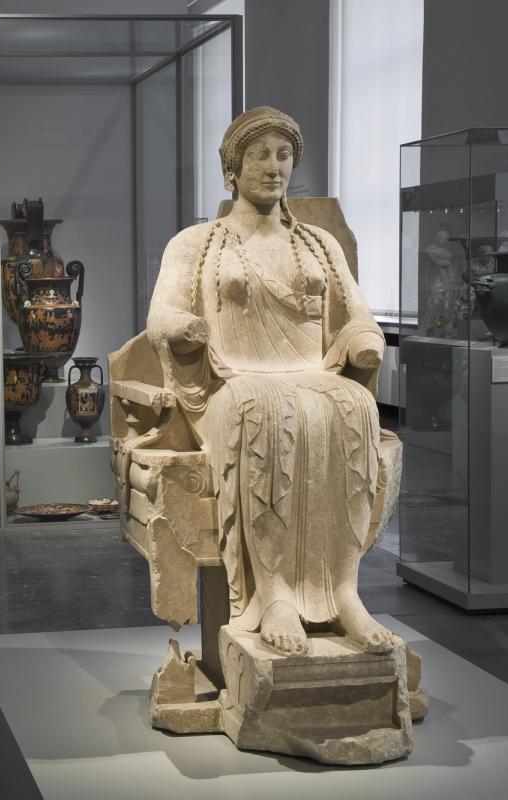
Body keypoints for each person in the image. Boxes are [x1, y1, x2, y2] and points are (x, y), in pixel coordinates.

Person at [146, 106, 391, 656]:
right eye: (259, 155)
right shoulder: (197, 243)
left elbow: (358, 315)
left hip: (314, 375)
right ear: (232, 169)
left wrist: (363, 340)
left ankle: (344, 590)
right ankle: (275, 591)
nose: (273, 166)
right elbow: (160, 314)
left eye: (284, 156)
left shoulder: (319, 245)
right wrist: (183, 325)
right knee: (265, 410)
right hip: (232, 382)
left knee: (354, 407)